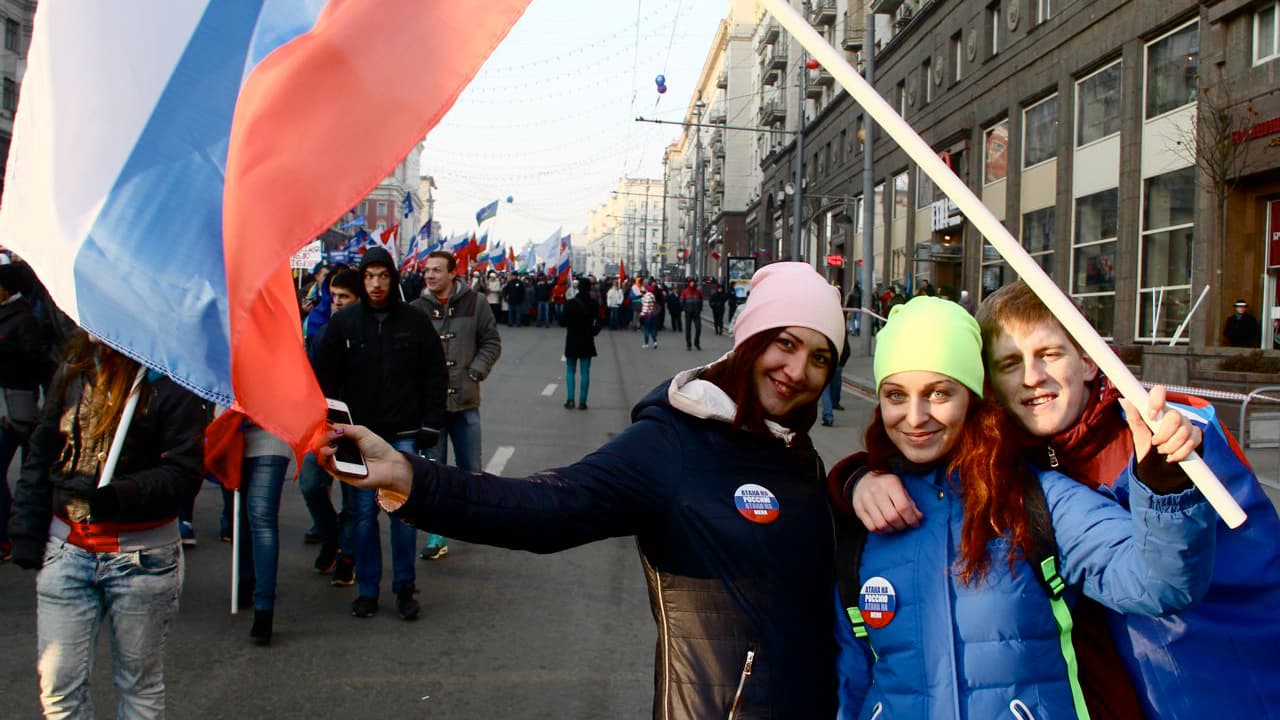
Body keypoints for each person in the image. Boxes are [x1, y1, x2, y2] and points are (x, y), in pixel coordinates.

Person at [316, 262, 849, 718]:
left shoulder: (797, 453)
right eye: (785, 343)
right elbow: (546, 508)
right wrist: (410, 477)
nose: (798, 371)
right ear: (751, 340)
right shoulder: (673, 443)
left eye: (821, 357)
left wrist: (863, 477)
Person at [850, 280, 1280, 718]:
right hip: (1113, 691)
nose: (1032, 376)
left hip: (1212, 688)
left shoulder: (1164, 439)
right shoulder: (1013, 458)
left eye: (1049, 354)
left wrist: (1166, 484)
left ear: (1091, 361)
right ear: (992, 387)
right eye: (1010, 363)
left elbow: (1201, 580)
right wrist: (856, 478)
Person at [10, 332, 205, 718]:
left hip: (142, 557)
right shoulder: (73, 370)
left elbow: (185, 472)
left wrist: (121, 494)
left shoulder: (170, 379)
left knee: (138, 686)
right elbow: (41, 452)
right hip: (67, 550)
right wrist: (26, 530)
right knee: (58, 688)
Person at [312, 247, 448, 620]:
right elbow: (324, 379)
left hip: (404, 435)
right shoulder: (344, 324)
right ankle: (368, 590)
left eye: (383, 276)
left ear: (393, 277)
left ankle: (405, 587)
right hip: (357, 437)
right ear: (363, 278)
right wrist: (332, 424)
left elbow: (435, 373)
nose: (376, 284)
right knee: (361, 515)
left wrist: (431, 421)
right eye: (369, 276)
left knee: (403, 515)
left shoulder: (414, 322)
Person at [411, 250, 502, 561]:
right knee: (434, 472)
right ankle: (437, 536)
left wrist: (475, 371)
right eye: (427, 271)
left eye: (437, 270)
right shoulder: (417, 309)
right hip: (431, 407)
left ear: (452, 272)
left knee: (469, 470)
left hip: (465, 402)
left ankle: (473, 522)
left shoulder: (475, 303)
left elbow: (491, 341)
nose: (430, 276)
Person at [0, 262, 51, 562]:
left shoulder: (24, 319)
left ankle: (12, 533)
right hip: (11, 404)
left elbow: (36, 363)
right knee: (34, 466)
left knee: (35, 466)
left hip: (20, 404)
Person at [561, 277, 602, 410]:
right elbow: (600, 320)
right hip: (587, 340)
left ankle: (570, 399)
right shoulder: (593, 303)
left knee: (570, 370)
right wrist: (594, 331)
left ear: (578, 288)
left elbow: (562, 321)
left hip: (572, 339)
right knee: (585, 372)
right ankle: (583, 402)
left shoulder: (571, 303)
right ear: (590, 288)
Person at [680, 279, 703, 351]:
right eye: (691, 283)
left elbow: (701, 301)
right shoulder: (685, 291)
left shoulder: (698, 292)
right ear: (689, 283)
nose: (692, 284)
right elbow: (681, 301)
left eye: (693, 282)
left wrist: (700, 309)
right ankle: (689, 344)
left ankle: (696, 343)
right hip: (688, 312)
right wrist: (685, 309)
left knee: (698, 328)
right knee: (688, 329)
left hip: (696, 313)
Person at [639, 282, 658, 349]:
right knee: (652, 329)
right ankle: (655, 342)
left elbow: (645, 306)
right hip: (653, 314)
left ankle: (646, 344)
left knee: (646, 329)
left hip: (647, 315)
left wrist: (642, 314)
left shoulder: (646, 296)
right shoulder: (653, 296)